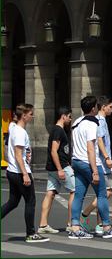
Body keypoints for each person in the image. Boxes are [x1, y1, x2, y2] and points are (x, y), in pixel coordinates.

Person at [70, 95, 112, 239]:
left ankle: (75, 227)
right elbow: (90, 148)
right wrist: (95, 170)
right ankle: (106, 227)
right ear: (94, 108)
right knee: (102, 194)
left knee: (78, 195)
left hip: (76, 160)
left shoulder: (77, 122)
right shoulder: (92, 124)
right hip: (88, 162)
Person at [1, 104, 49, 243]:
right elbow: (18, 154)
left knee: (13, 202)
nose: (32, 116)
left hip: (12, 171)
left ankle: (30, 233)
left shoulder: (13, 127)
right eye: (30, 114)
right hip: (20, 172)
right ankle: (30, 234)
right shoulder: (20, 132)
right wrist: (25, 174)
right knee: (30, 201)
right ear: (24, 116)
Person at [81, 96, 112, 235]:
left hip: (103, 162)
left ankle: (99, 223)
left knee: (104, 193)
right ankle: (85, 215)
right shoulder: (100, 121)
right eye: (110, 107)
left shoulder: (102, 120)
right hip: (103, 163)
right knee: (107, 192)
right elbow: (100, 141)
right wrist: (107, 158)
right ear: (103, 107)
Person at [38, 107, 74, 234]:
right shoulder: (58, 130)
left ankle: (43, 225)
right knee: (74, 191)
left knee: (50, 193)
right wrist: (60, 169)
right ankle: (71, 223)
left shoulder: (57, 130)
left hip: (53, 167)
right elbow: (54, 151)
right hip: (61, 166)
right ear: (63, 116)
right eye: (69, 116)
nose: (70, 119)